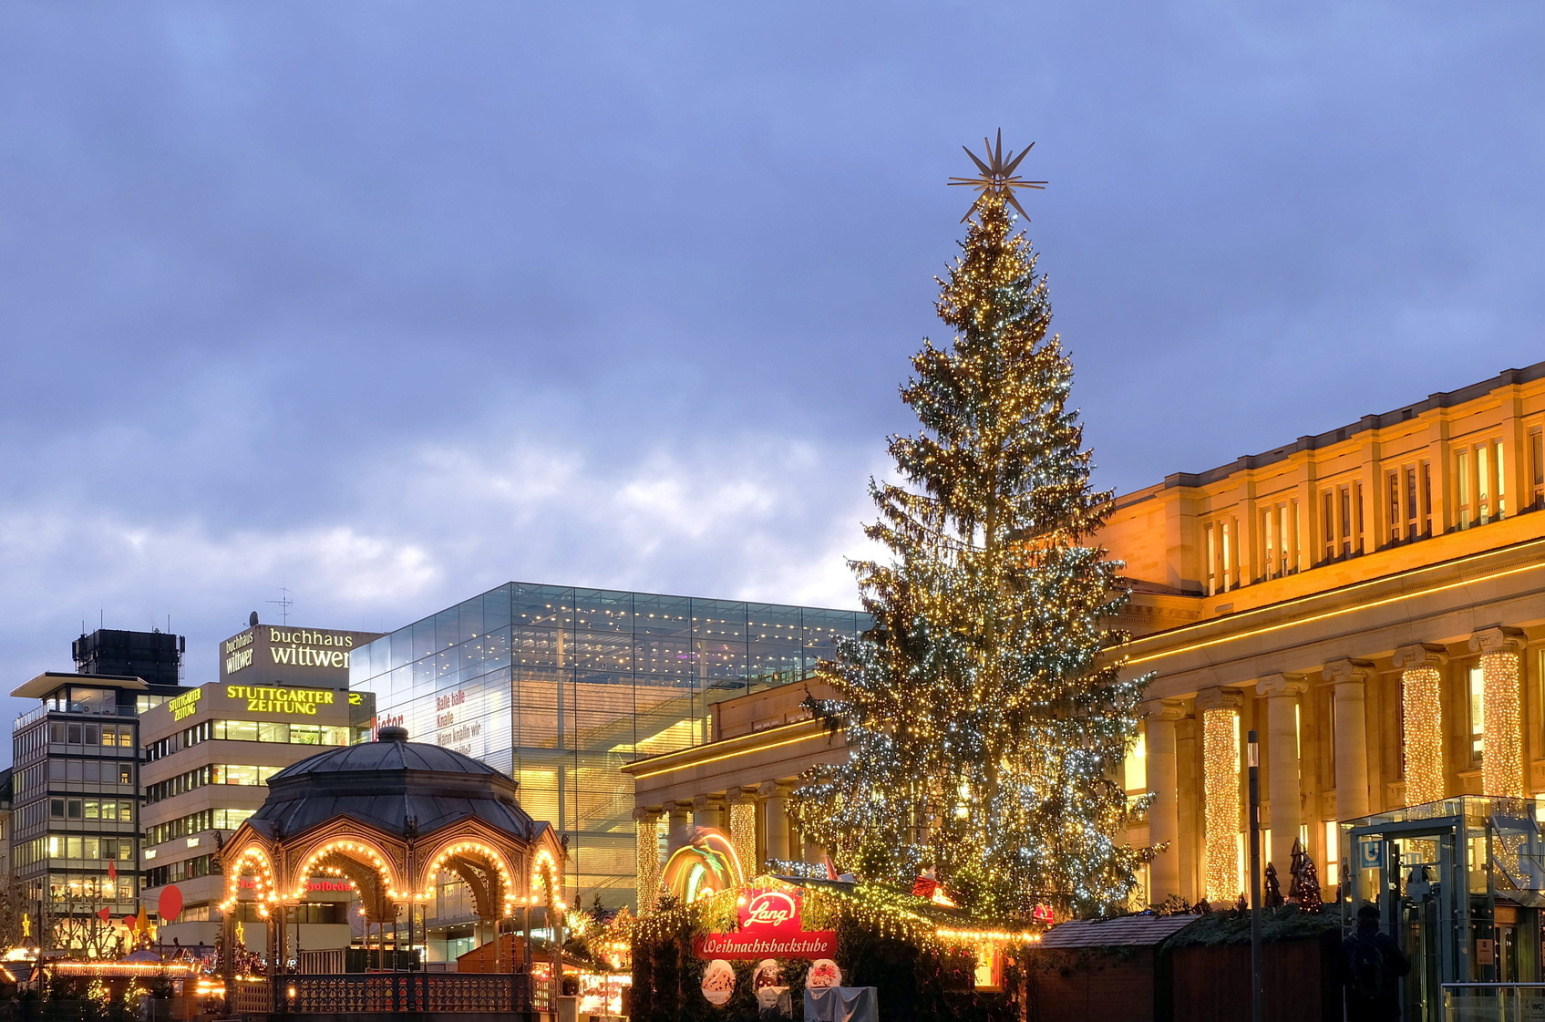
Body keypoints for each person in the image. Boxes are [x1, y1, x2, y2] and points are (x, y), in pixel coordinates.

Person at [1339, 903, 1411, 1022]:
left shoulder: (1349, 943)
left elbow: (1338, 976)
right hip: (1386, 1006)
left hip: (1358, 1007)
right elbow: (1404, 969)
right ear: (1378, 921)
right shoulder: (1385, 941)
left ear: (1359, 921)